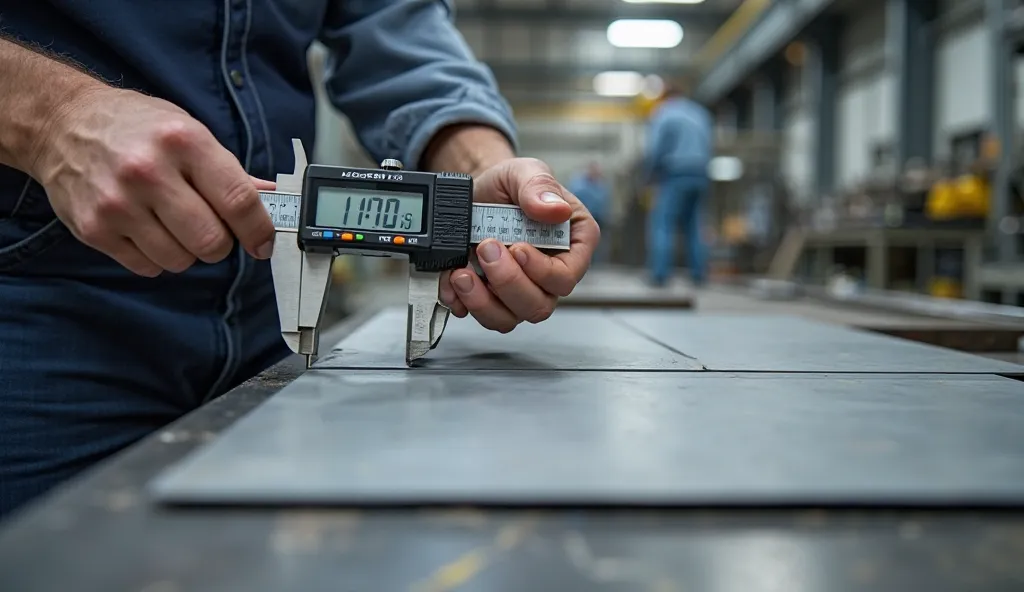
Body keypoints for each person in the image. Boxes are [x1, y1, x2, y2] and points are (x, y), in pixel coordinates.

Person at [0, 1, 600, 518]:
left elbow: (399, 35)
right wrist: (51, 115)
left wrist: (472, 168)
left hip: (271, 335)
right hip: (42, 309)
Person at [641, 80, 714, 287]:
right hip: (700, 174)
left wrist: (648, 176)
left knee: (663, 224)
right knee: (694, 226)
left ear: (665, 96)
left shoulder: (664, 113)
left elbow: (654, 150)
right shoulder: (700, 113)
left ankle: (660, 275)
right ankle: (699, 275)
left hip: (675, 174)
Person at [567, 162, 611, 263]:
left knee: (598, 241)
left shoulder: (601, 185)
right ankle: (582, 260)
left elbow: (604, 202)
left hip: (598, 218)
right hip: (582, 216)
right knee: (582, 239)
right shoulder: (579, 184)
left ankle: (597, 262)